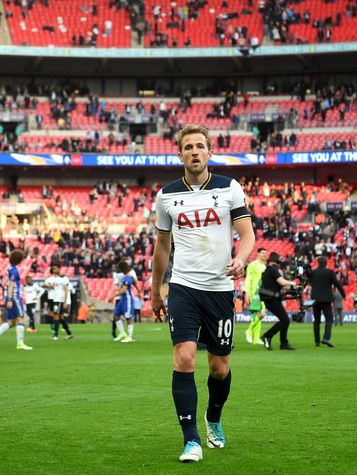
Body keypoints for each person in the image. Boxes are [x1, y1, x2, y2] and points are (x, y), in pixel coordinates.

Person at [151, 124, 255, 463]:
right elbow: (162, 247)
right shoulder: (166, 196)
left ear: (209, 152)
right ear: (179, 154)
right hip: (183, 287)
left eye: (200, 146)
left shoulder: (229, 188)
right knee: (184, 358)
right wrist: (156, 291)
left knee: (219, 368)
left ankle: (214, 418)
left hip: (220, 289)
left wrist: (241, 259)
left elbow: (247, 235)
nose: (194, 152)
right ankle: (191, 439)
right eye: (188, 147)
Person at [0, 249, 32, 350]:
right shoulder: (14, 270)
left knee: (12, 322)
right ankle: (20, 344)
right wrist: (11, 299)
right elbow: (11, 284)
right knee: (21, 318)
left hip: (9, 296)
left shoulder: (10, 268)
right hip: (14, 297)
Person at [258, 252, 298, 351]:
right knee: (285, 320)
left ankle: (283, 343)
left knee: (284, 320)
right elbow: (282, 282)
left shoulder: (269, 270)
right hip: (272, 299)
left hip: (271, 298)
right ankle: (268, 336)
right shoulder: (273, 269)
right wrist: (292, 283)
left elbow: (280, 284)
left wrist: (292, 286)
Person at [309, 256, 346, 347]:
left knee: (316, 321)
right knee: (329, 319)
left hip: (315, 299)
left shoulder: (313, 272)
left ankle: (317, 341)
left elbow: (309, 282)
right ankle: (326, 338)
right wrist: (343, 294)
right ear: (326, 263)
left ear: (318, 263)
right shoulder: (330, 272)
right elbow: (337, 284)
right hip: (326, 299)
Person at [243, 248, 267, 345]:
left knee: (259, 314)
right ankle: (249, 331)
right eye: (263, 253)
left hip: (263, 291)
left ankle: (256, 338)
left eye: (265, 253)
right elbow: (248, 279)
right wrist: (247, 293)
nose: (264, 255)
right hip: (255, 292)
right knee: (260, 313)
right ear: (258, 254)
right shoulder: (252, 265)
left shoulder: (264, 266)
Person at [43, 265, 73, 341]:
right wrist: (46, 286)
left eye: (56, 268)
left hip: (60, 299)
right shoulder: (56, 279)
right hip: (55, 299)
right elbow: (53, 287)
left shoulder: (64, 279)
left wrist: (65, 302)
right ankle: (69, 333)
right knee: (61, 317)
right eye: (54, 269)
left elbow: (66, 290)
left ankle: (55, 335)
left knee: (56, 316)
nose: (55, 270)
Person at [113, 259, 137, 342]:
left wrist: (113, 296)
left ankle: (130, 337)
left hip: (127, 299)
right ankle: (123, 333)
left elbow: (124, 290)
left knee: (128, 317)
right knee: (116, 315)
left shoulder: (127, 279)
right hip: (122, 300)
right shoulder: (125, 278)